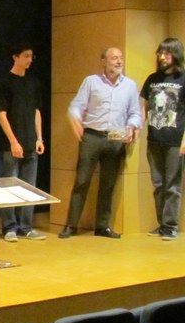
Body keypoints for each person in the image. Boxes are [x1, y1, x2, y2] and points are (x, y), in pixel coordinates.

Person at [58, 47, 142, 239]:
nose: (119, 61)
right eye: (114, 58)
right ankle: (71, 225)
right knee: (82, 181)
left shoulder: (130, 86)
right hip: (92, 136)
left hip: (116, 137)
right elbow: (76, 105)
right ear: (104, 61)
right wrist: (75, 118)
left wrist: (131, 126)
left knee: (108, 184)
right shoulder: (91, 81)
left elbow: (135, 113)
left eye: (121, 58)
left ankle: (102, 226)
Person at [0, 43, 46, 242]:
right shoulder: (4, 81)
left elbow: (36, 111)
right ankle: (9, 226)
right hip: (11, 144)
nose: (29, 60)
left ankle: (26, 226)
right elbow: (1, 114)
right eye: (25, 56)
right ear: (15, 57)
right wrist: (13, 141)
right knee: (9, 184)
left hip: (30, 141)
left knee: (29, 186)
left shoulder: (33, 82)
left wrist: (39, 137)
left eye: (31, 56)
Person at [140, 38, 185, 241]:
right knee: (158, 184)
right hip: (154, 139)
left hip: (175, 140)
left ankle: (171, 226)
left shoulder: (183, 78)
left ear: (176, 54)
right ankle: (162, 224)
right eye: (160, 53)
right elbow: (143, 106)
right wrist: (136, 128)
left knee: (172, 186)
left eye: (167, 53)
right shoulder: (152, 79)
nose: (162, 57)